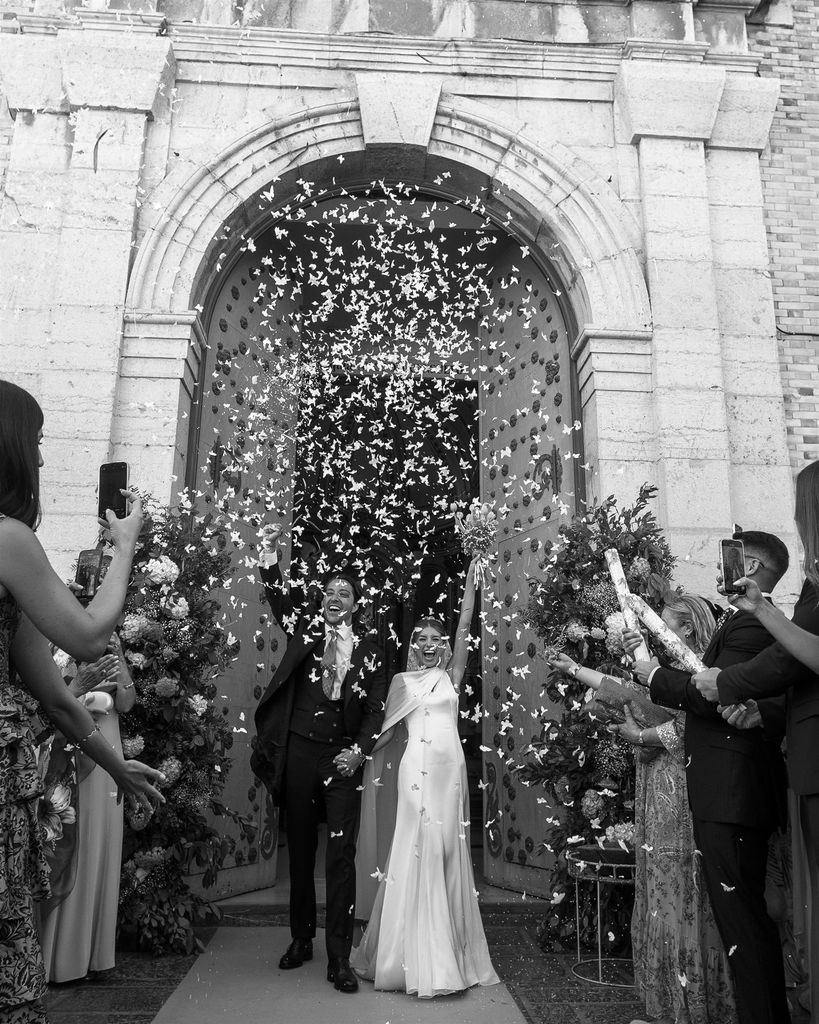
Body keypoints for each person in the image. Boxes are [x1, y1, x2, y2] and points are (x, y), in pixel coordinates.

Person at [0, 379, 164, 1024]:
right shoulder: (8, 538)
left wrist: (118, 766)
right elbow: (92, 634)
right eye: (36, 443)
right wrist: (124, 548)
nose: (42, 460)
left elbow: (60, 703)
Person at [551, 591, 737, 1024]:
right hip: (657, 785)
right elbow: (627, 690)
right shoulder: (667, 672)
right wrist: (573, 669)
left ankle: (696, 1006)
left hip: (685, 784)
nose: (655, 631)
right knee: (658, 884)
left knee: (684, 882)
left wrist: (640, 737)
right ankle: (667, 1004)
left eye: (662, 623)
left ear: (686, 627)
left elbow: (691, 724)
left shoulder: (703, 671)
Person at [637, 531, 791, 1024]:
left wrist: (650, 674)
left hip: (732, 791)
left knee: (743, 927)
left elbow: (713, 694)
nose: (721, 566)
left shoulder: (751, 623)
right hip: (727, 790)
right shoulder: (746, 620)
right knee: (741, 926)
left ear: (751, 563)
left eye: (731, 556)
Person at [695, 464, 819, 1023]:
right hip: (780, 763)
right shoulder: (765, 611)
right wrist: (762, 714)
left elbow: (787, 663)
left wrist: (717, 683)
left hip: (743, 786)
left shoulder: (753, 623)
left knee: (749, 917)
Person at [351, 557, 499, 998]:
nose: (432, 644)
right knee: (417, 847)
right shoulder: (401, 682)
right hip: (414, 774)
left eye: (437, 639)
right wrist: (356, 757)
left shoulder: (451, 677)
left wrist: (473, 581)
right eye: (423, 639)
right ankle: (408, 958)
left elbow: (465, 626)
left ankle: (448, 952)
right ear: (413, 644)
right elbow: (387, 731)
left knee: (447, 852)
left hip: (449, 775)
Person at [250, 521, 386, 994]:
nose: (335, 596)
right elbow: (276, 596)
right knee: (303, 852)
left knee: (341, 857)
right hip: (301, 755)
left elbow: (375, 710)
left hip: (343, 760)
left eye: (344, 592)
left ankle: (340, 957)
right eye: (329, 590)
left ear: (356, 603)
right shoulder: (304, 633)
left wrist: (359, 752)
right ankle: (301, 939)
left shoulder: (371, 650)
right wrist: (270, 553)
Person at [38, 635, 135, 983]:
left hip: (110, 765)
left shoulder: (109, 654)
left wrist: (120, 658)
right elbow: (49, 705)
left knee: (101, 849)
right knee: (69, 850)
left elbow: (126, 704)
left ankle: (94, 957)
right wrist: (81, 683)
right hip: (72, 762)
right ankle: (58, 962)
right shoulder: (53, 649)